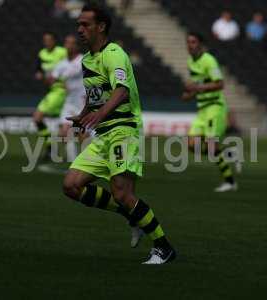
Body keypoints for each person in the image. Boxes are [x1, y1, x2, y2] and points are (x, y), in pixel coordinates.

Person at [63, 3, 176, 264]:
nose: (79, 29)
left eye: (85, 24)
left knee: (123, 193)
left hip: (123, 129)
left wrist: (99, 115)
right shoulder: (87, 60)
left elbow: (121, 91)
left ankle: (164, 247)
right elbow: (94, 97)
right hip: (103, 134)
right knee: (71, 185)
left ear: (101, 27)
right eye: (78, 24)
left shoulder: (114, 53)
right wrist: (83, 116)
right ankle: (130, 215)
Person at [181, 32, 238, 192]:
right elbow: (197, 84)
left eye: (193, 42)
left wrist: (196, 88)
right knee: (192, 145)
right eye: (188, 42)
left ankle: (230, 182)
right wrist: (189, 94)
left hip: (214, 107)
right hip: (202, 110)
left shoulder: (209, 60)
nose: (189, 45)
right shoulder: (190, 62)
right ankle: (227, 153)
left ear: (200, 44)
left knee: (212, 147)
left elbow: (220, 84)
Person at [43, 34, 86, 163]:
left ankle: (87, 160)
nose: (69, 45)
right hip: (69, 102)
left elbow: (69, 73)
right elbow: (51, 80)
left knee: (82, 135)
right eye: (67, 42)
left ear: (77, 46)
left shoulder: (82, 60)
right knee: (64, 133)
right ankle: (74, 163)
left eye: (72, 43)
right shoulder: (61, 63)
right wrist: (49, 78)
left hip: (82, 102)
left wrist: (58, 78)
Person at [33, 32, 67, 161]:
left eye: (49, 40)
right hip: (52, 90)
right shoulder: (42, 54)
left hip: (60, 90)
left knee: (37, 117)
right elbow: (38, 69)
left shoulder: (62, 52)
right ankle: (53, 150)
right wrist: (39, 74)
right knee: (62, 125)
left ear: (54, 41)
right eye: (45, 40)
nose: (47, 42)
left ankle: (52, 149)